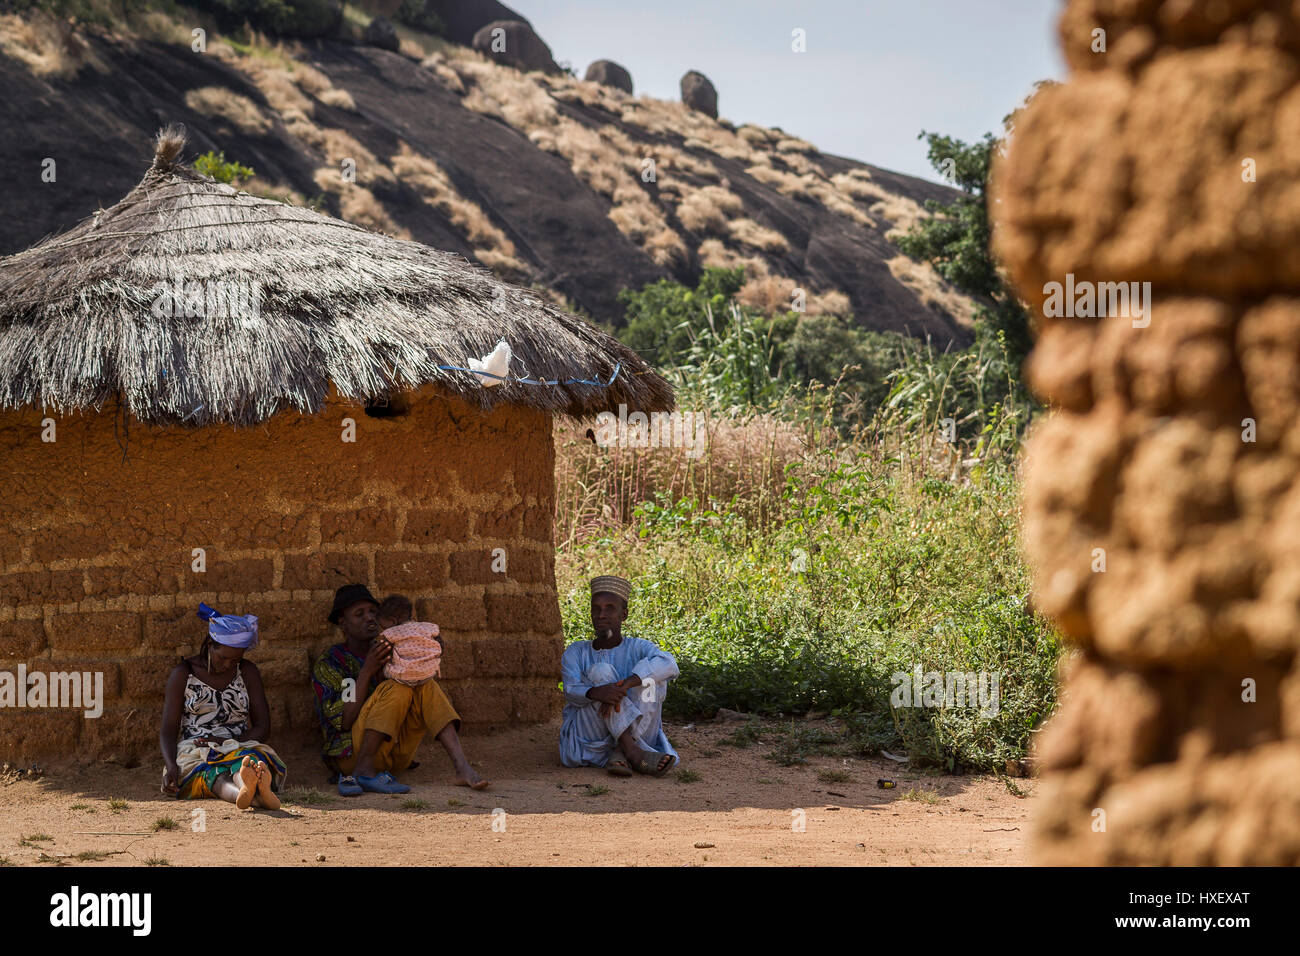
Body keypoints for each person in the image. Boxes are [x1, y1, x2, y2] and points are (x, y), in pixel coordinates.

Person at [311, 584, 488, 796]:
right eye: (360, 614)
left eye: (373, 613)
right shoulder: (332, 662)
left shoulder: (395, 649)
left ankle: (461, 766)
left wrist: (430, 650)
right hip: (352, 756)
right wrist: (367, 670)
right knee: (397, 686)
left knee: (423, 683)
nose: (370, 619)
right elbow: (345, 719)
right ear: (343, 623)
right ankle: (363, 770)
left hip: (395, 756)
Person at [160, 603, 286, 809]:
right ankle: (250, 796)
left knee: (248, 762)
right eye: (223, 658)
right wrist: (171, 765)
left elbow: (263, 727)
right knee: (213, 775)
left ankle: (252, 786)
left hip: (239, 744)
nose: (227, 665)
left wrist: (228, 741)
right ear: (210, 644)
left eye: (235, 660)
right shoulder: (184, 674)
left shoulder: (247, 672)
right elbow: (167, 730)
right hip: (195, 749)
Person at [560, 575, 680, 776]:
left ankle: (621, 750)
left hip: (641, 733)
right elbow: (570, 691)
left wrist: (626, 685)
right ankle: (631, 751)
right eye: (596, 609)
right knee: (600, 672)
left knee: (651, 679)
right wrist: (597, 692)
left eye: (609, 608)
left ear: (624, 614)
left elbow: (669, 664)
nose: (601, 615)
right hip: (590, 738)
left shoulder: (638, 647)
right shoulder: (575, 652)